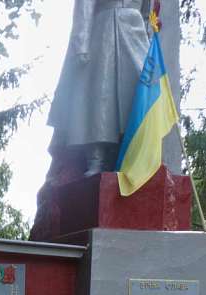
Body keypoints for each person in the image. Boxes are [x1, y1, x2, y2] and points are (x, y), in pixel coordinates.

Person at [48, 0, 152, 176]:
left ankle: (131, 157)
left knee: (140, 94)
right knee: (100, 97)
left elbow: (146, 13)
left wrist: (147, 37)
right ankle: (96, 158)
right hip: (104, 30)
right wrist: (81, 43)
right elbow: (85, 6)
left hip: (136, 32)